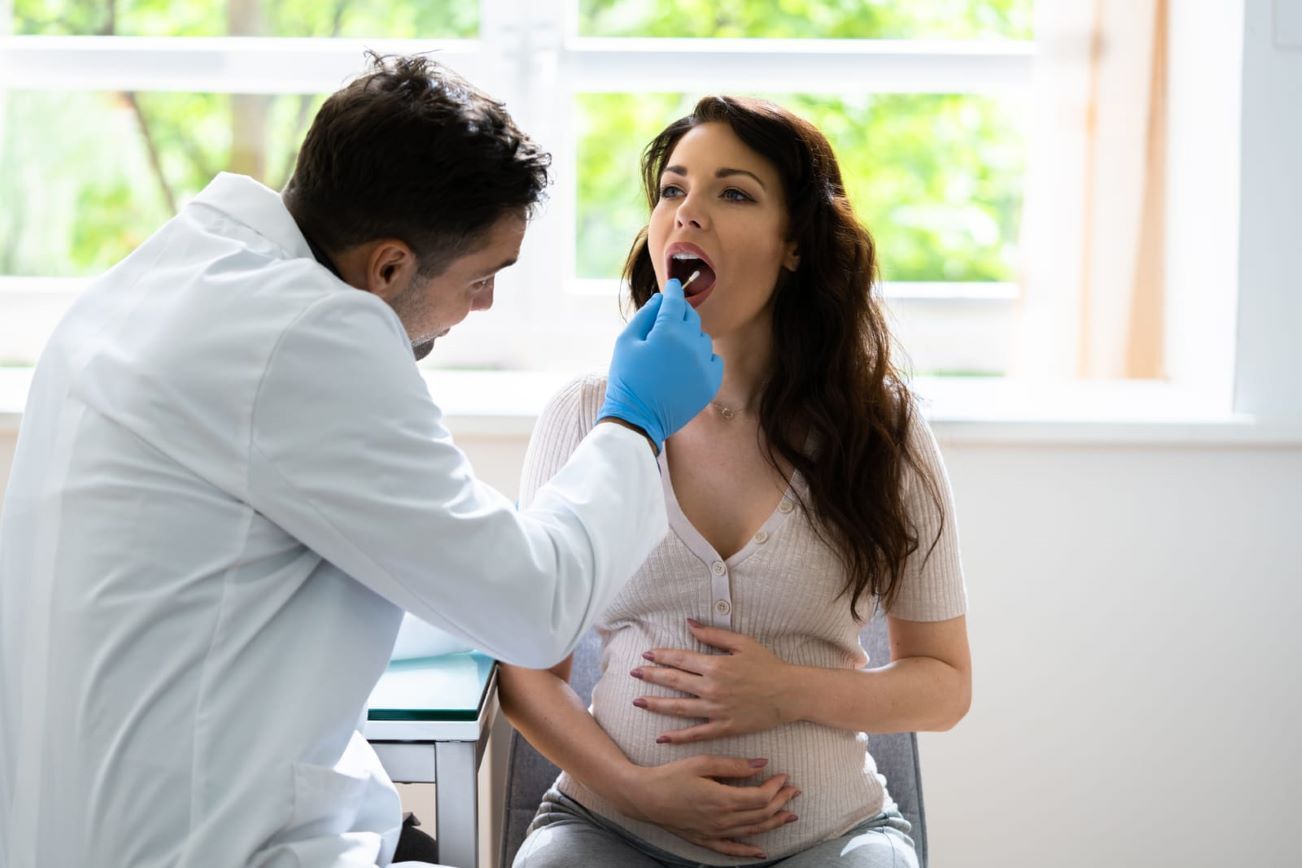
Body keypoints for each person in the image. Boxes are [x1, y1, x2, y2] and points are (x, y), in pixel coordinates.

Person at [0, 55, 721, 868]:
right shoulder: (308, 338)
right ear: (388, 267)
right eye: (482, 279)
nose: (482, 307)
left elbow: (293, 570)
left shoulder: (163, 279)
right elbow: (532, 607)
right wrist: (633, 421)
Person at [499, 96, 972, 868]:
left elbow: (944, 685)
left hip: (834, 838)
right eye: (673, 190)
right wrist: (633, 789)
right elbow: (525, 672)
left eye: (733, 192)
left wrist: (788, 690)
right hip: (609, 828)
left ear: (794, 245)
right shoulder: (586, 414)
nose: (687, 215)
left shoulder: (884, 432)